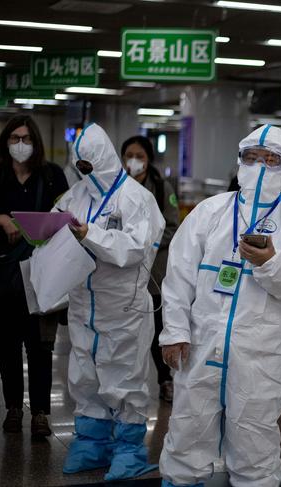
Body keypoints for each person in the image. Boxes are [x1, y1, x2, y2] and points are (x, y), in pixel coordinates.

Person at [158, 124, 281, 487]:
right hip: (200, 348)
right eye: (252, 158)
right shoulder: (209, 212)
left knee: (255, 448)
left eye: (271, 160)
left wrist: (271, 262)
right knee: (186, 439)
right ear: (239, 163)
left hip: (260, 356)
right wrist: (174, 331)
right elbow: (178, 277)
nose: (260, 167)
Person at [55, 123, 165, 481]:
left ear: (103, 159)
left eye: (89, 165)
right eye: (79, 166)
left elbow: (134, 248)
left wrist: (91, 234)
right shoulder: (76, 195)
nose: (84, 172)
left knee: (124, 378)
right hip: (83, 304)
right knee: (85, 374)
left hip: (124, 309)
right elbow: (56, 225)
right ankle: (90, 443)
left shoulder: (137, 199)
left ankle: (129, 450)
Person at [0, 115, 69, 436]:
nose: (20, 144)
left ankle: (39, 413)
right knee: (8, 345)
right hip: (6, 273)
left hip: (42, 275)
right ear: (5, 142)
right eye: (14, 138)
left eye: (26, 138)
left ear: (35, 142)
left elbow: (68, 218)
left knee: (40, 346)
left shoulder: (52, 177)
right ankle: (13, 408)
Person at [121, 135, 180, 403]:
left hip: (153, 271)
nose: (134, 161)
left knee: (157, 327)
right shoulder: (115, 187)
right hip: (121, 271)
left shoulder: (160, 186)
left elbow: (172, 225)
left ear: (148, 160)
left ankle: (165, 379)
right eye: (129, 155)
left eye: (140, 156)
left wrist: (150, 243)